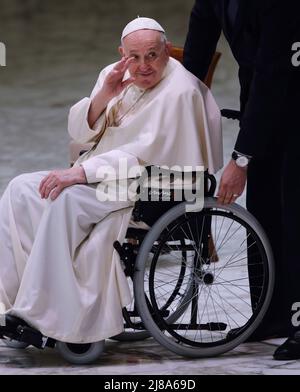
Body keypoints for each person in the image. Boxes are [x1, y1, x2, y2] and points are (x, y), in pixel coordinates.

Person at [0, 17, 223, 346]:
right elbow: (81, 134)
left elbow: (147, 155)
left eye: (152, 55)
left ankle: (50, 314)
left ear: (167, 52)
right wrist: (105, 95)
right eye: (134, 56)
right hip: (107, 176)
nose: (144, 66)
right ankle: (12, 302)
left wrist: (80, 174)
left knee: (67, 199)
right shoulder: (113, 74)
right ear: (122, 53)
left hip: (150, 186)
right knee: (20, 189)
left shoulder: (182, 90)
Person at [184, 0, 300, 359]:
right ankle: (270, 315)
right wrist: (173, 105)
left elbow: (272, 71)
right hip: (261, 101)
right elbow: (198, 50)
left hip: (293, 93)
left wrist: (241, 157)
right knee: (264, 208)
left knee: (295, 214)